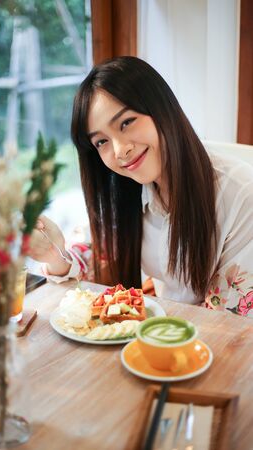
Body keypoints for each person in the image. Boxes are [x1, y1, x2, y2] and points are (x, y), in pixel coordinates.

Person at [29, 56, 253, 317]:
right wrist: (55, 254)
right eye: (101, 141)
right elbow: (92, 257)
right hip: (164, 329)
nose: (120, 150)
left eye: (126, 123)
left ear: (162, 109)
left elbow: (228, 321)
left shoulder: (240, 195)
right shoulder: (125, 187)